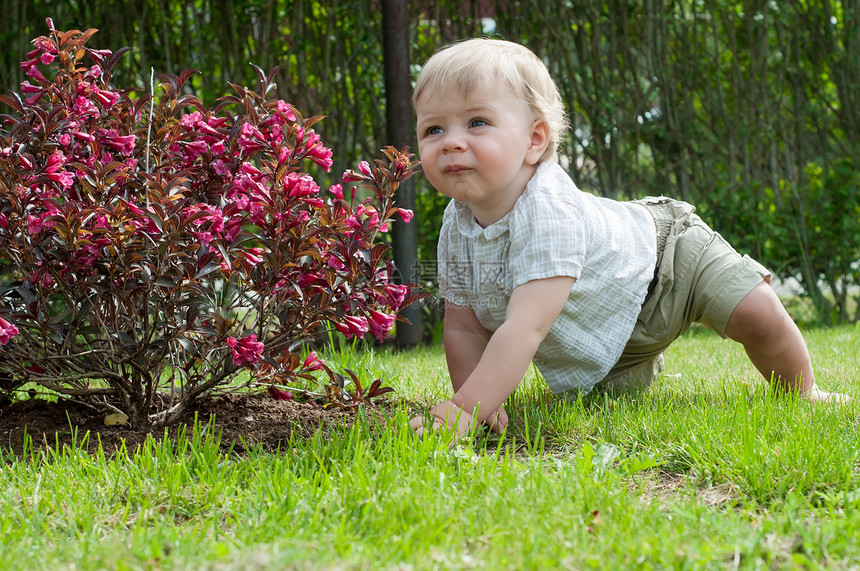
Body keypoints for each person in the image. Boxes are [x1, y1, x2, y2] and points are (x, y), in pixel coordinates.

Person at [408, 38, 848, 436]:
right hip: (611, 333)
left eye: (478, 122)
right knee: (603, 402)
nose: (451, 142)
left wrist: (465, 407)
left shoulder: (547, 208)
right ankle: (628, 367)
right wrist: (477, 406)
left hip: (670, 261)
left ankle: (803, 392)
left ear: (535, 140)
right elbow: (464, 326)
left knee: (758, 314)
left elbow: (526, 326)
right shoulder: (458, 224)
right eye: (434, 129)